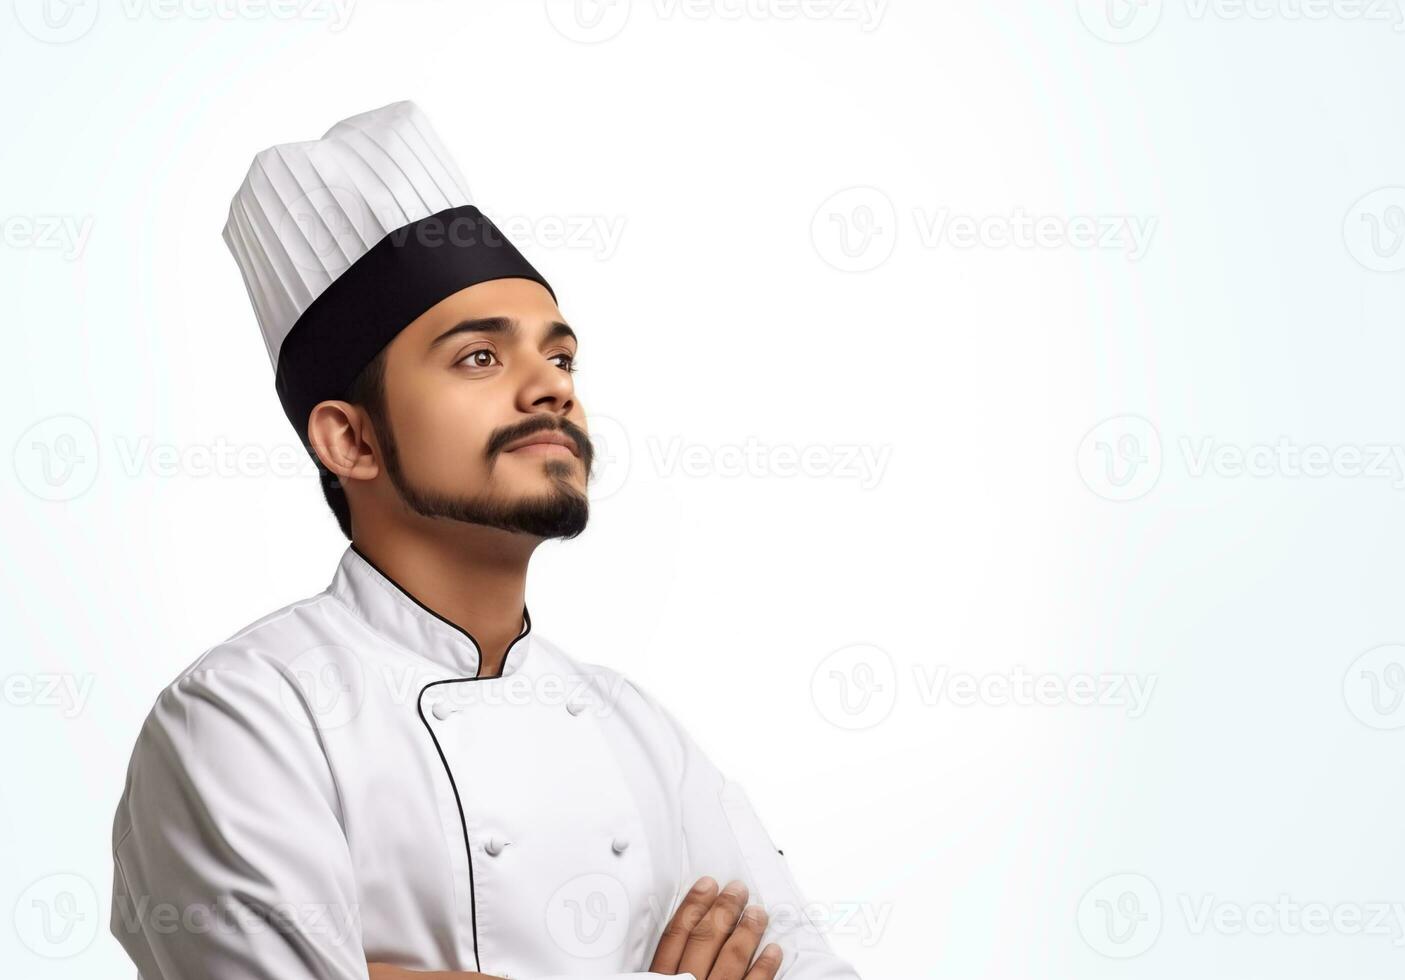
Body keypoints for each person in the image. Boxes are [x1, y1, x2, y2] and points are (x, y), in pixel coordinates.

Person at [109, 99, 861, 980]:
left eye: (561, 357)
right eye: (479, 358)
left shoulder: (637, 728)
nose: (551, 390)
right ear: (349, 439)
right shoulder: (244, 715)